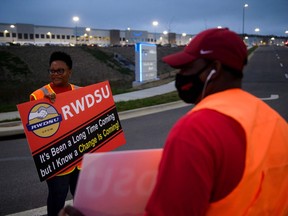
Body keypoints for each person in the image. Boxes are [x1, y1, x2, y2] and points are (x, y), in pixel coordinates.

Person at [59, 28, 288, 216]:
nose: (180, 75)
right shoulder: (275, 121)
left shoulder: (199, 128)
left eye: (187, 67)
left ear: (215, 70)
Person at [30, 51, 81, 216]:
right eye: (52, 71)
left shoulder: (81, 92)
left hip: (80, 160)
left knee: (82, 198)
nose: (55, 74)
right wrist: (45, 106)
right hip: (57, 161)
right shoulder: (38, 96)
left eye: (60, 71)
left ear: (69, 72)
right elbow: (35, 130)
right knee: (57, 198)